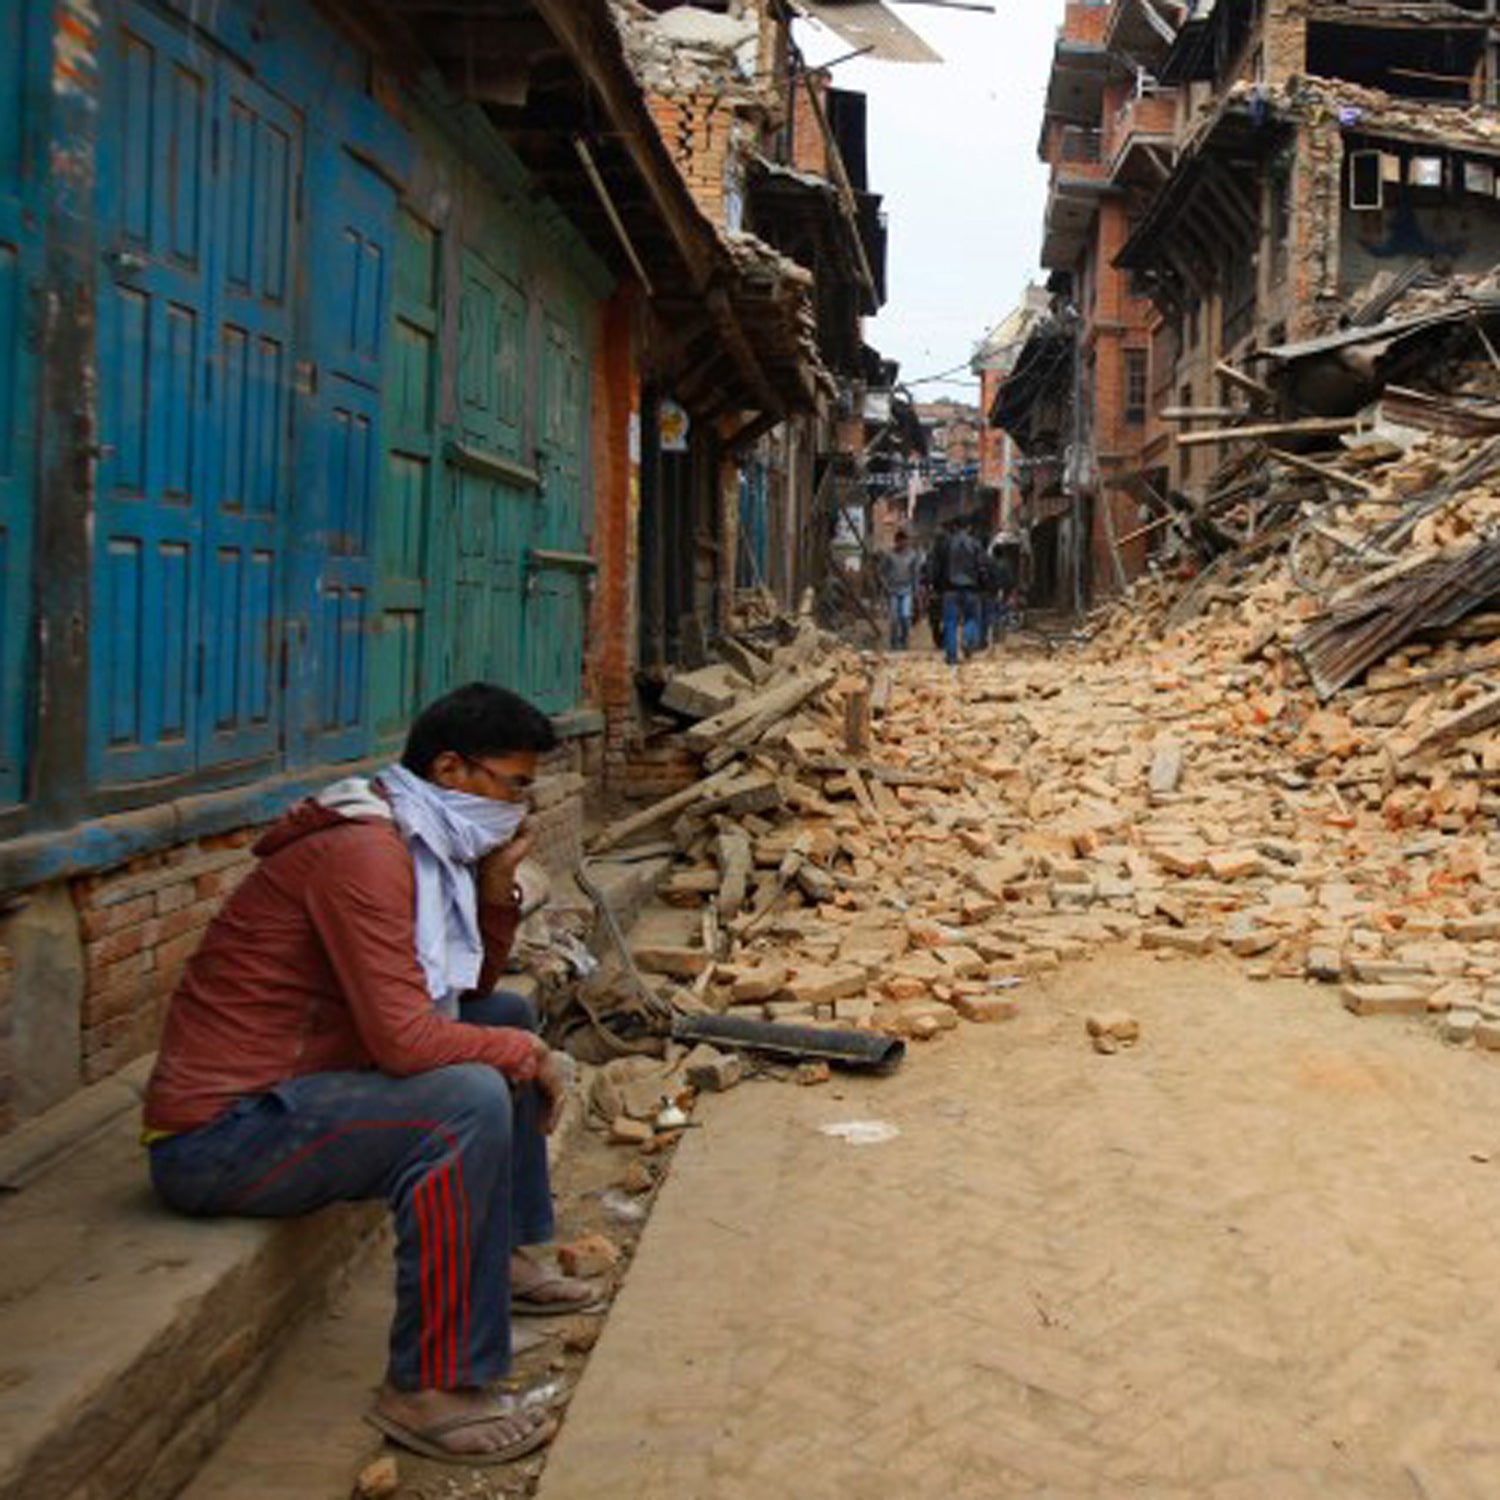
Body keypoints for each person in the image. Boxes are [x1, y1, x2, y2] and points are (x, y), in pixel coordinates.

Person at [142, 683, 595, 1467]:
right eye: (514, 784)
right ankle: (430, 1386)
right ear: (451, 769)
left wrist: (494, 897)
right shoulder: (367, 852)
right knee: (466, 1097)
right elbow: (407, 1043)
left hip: (309, 1081)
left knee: (504, 1025)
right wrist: (530, 1061)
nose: (522, 807)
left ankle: (508, 1257)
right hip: (220, 1135)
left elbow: (469, 997)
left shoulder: (422, 839)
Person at [931, 517, 984, 666]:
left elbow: (937, 568)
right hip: (971, 589)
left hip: (950, 589)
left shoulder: (945, 544)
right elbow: (982, 567)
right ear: (969, 527)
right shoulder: (975, 544)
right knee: (971, 619)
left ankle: (952, 656)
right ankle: (967, 642)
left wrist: (936, 587)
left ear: (954, 527)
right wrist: (983, 586)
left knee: (950, 622)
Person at [879, 529, 920, 651]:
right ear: (896, 541)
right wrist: (885, 585)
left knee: (905, 616)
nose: (903, 543)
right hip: (892, 590)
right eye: (900, 541)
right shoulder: (889, 555)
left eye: (905, 541)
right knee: (894, 618)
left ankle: (904, 639)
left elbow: (915, 574)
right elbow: (881, 572)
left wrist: (916, 591)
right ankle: (894, 642)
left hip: (907, 590)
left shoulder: (912, 555)